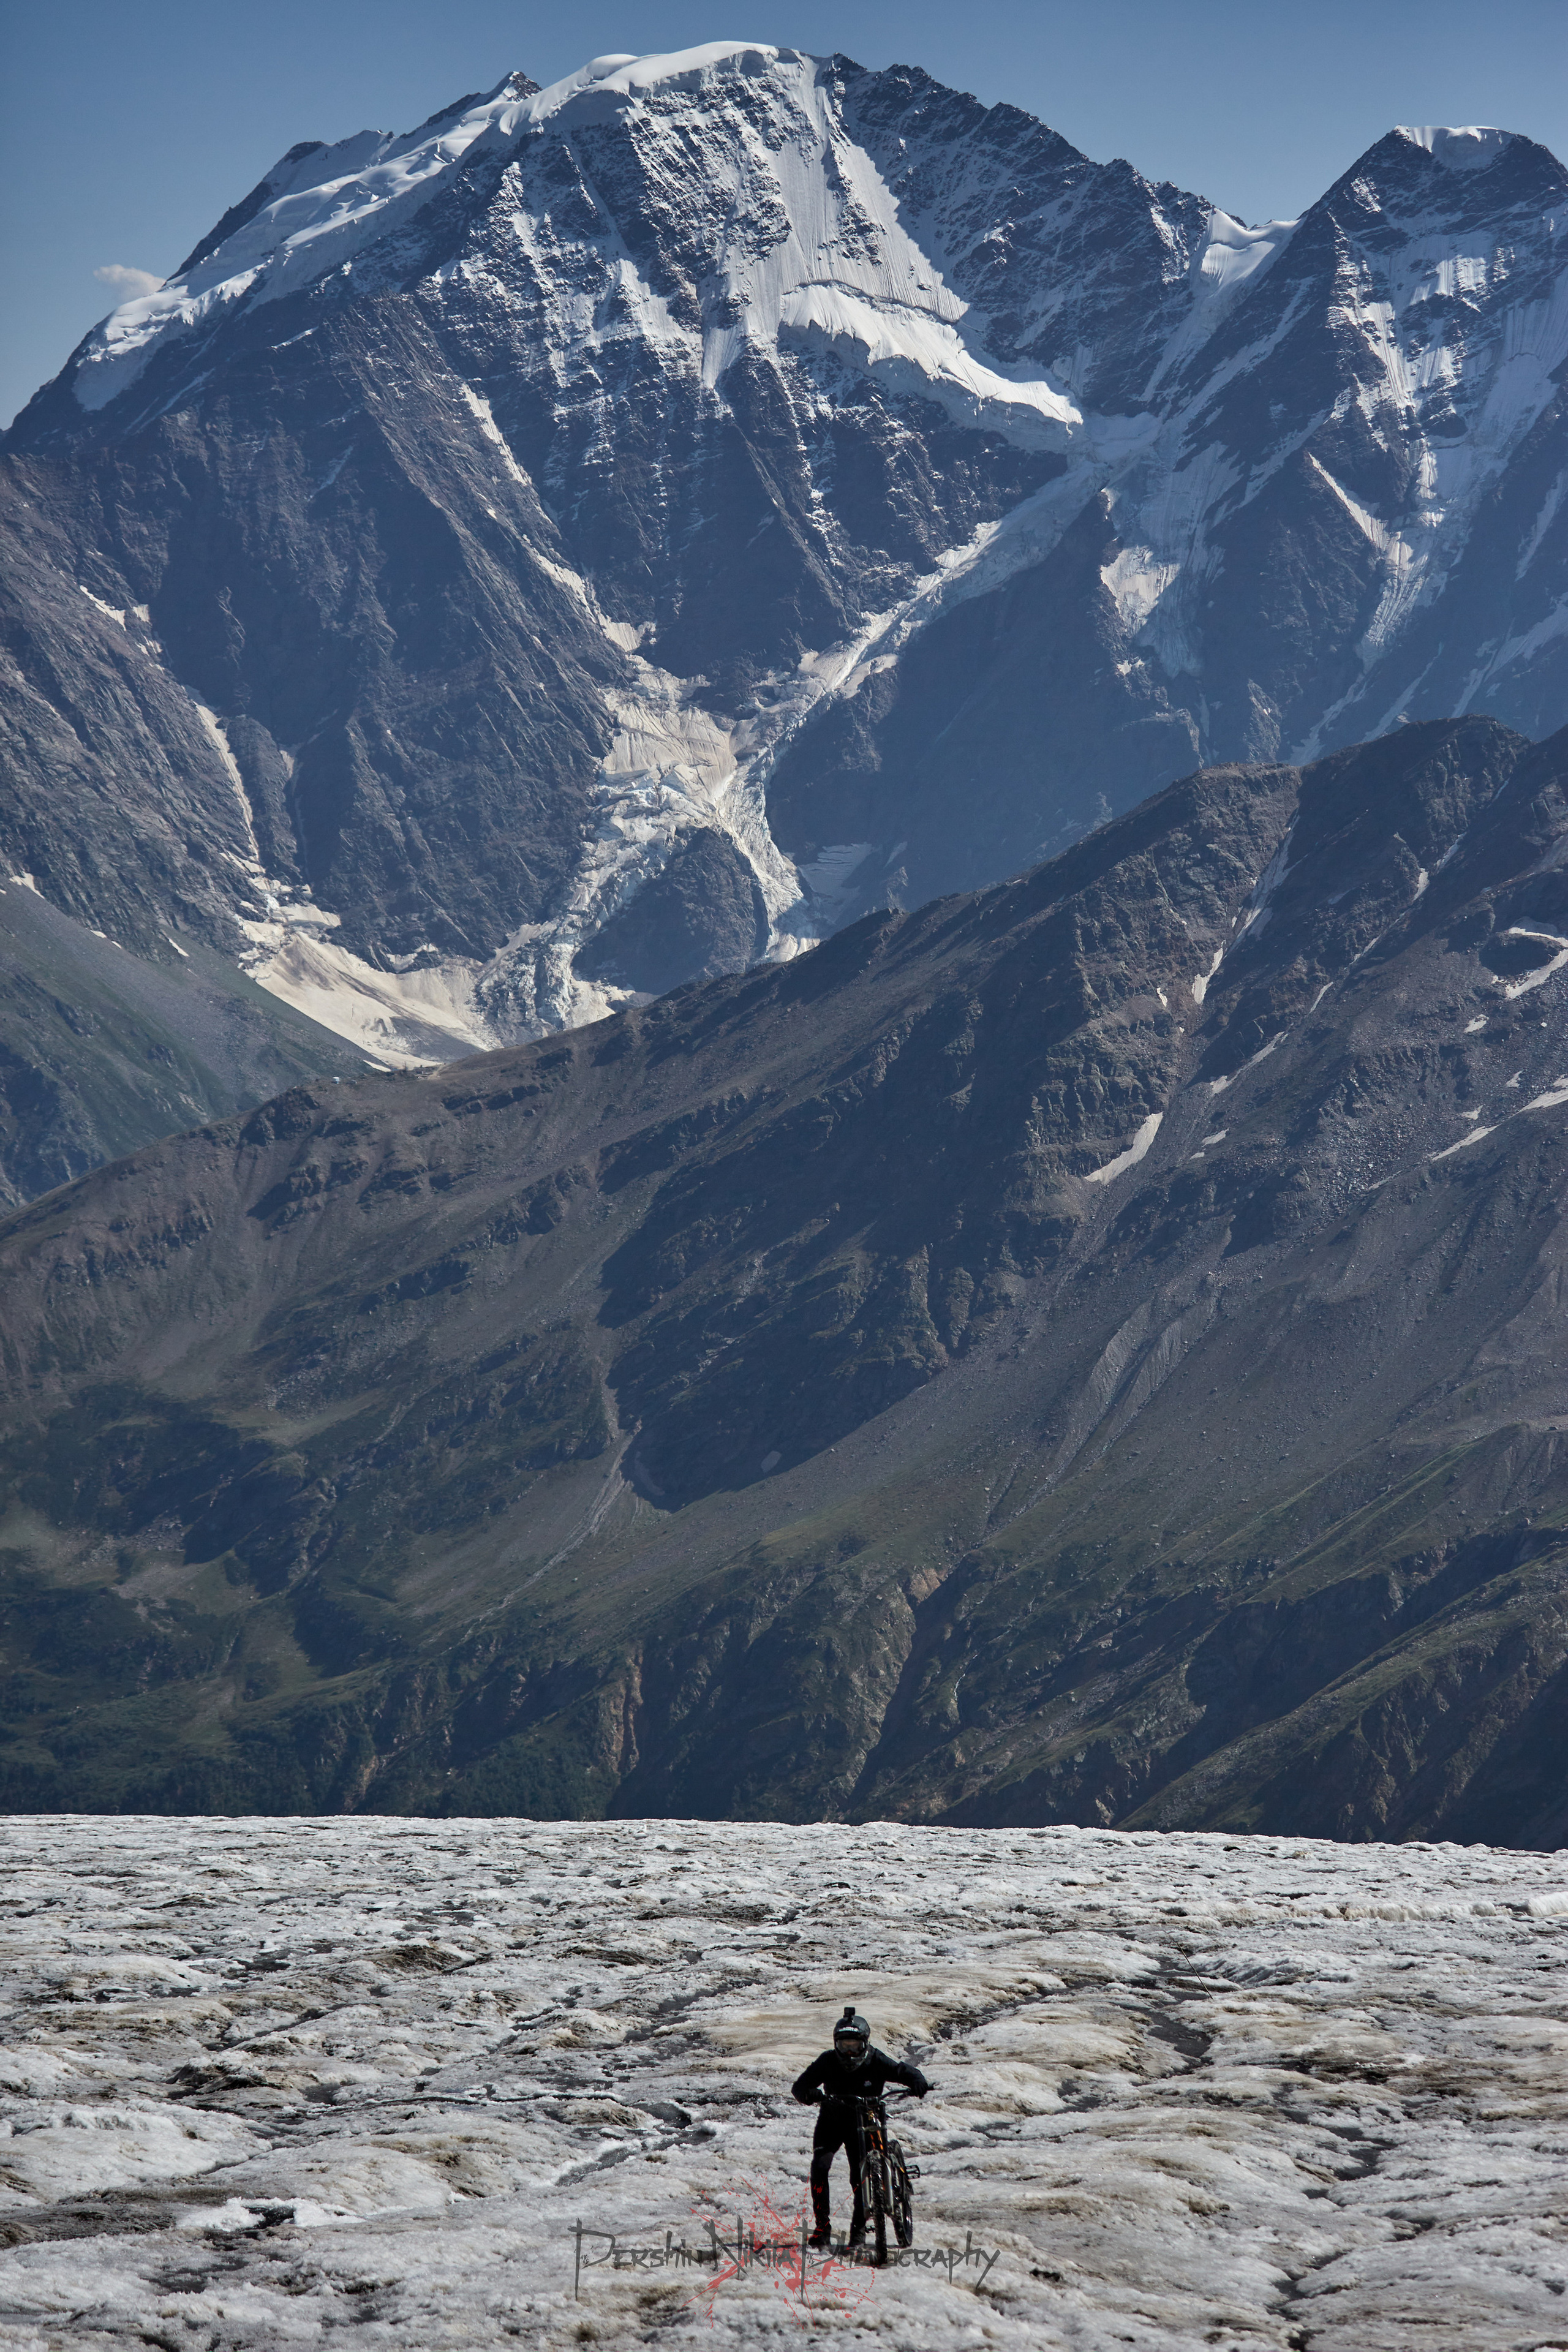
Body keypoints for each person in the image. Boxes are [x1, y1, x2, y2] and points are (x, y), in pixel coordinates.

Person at [791, 2003, 930, 2246]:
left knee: (860, 2176)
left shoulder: (876, 2060)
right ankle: (822, 2228)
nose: (849, 2053)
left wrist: (918, 2081)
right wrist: (811, 2095)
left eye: (854, 2046)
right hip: (832, 2121)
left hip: (866, 2123)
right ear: (836, 2044)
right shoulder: (827, 2061)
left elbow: (902, 2071)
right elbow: (800, 2087)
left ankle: (858, 2230)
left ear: (865, 2043)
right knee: (820, 2168)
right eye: (844, 2046)